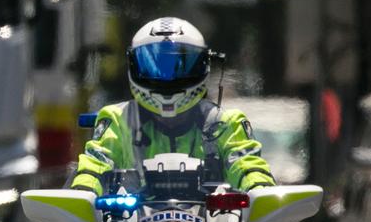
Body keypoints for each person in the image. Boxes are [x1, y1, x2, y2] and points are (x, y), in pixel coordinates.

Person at [70, 17, 276, 194]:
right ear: (133, 64)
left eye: (179, 65)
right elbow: (94, 165)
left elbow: (248, 166)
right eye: (154, 65)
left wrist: (261, 191)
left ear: (204, 64)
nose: (168, 77)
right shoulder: (118, 119)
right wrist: (83, 193)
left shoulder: (225, 123)